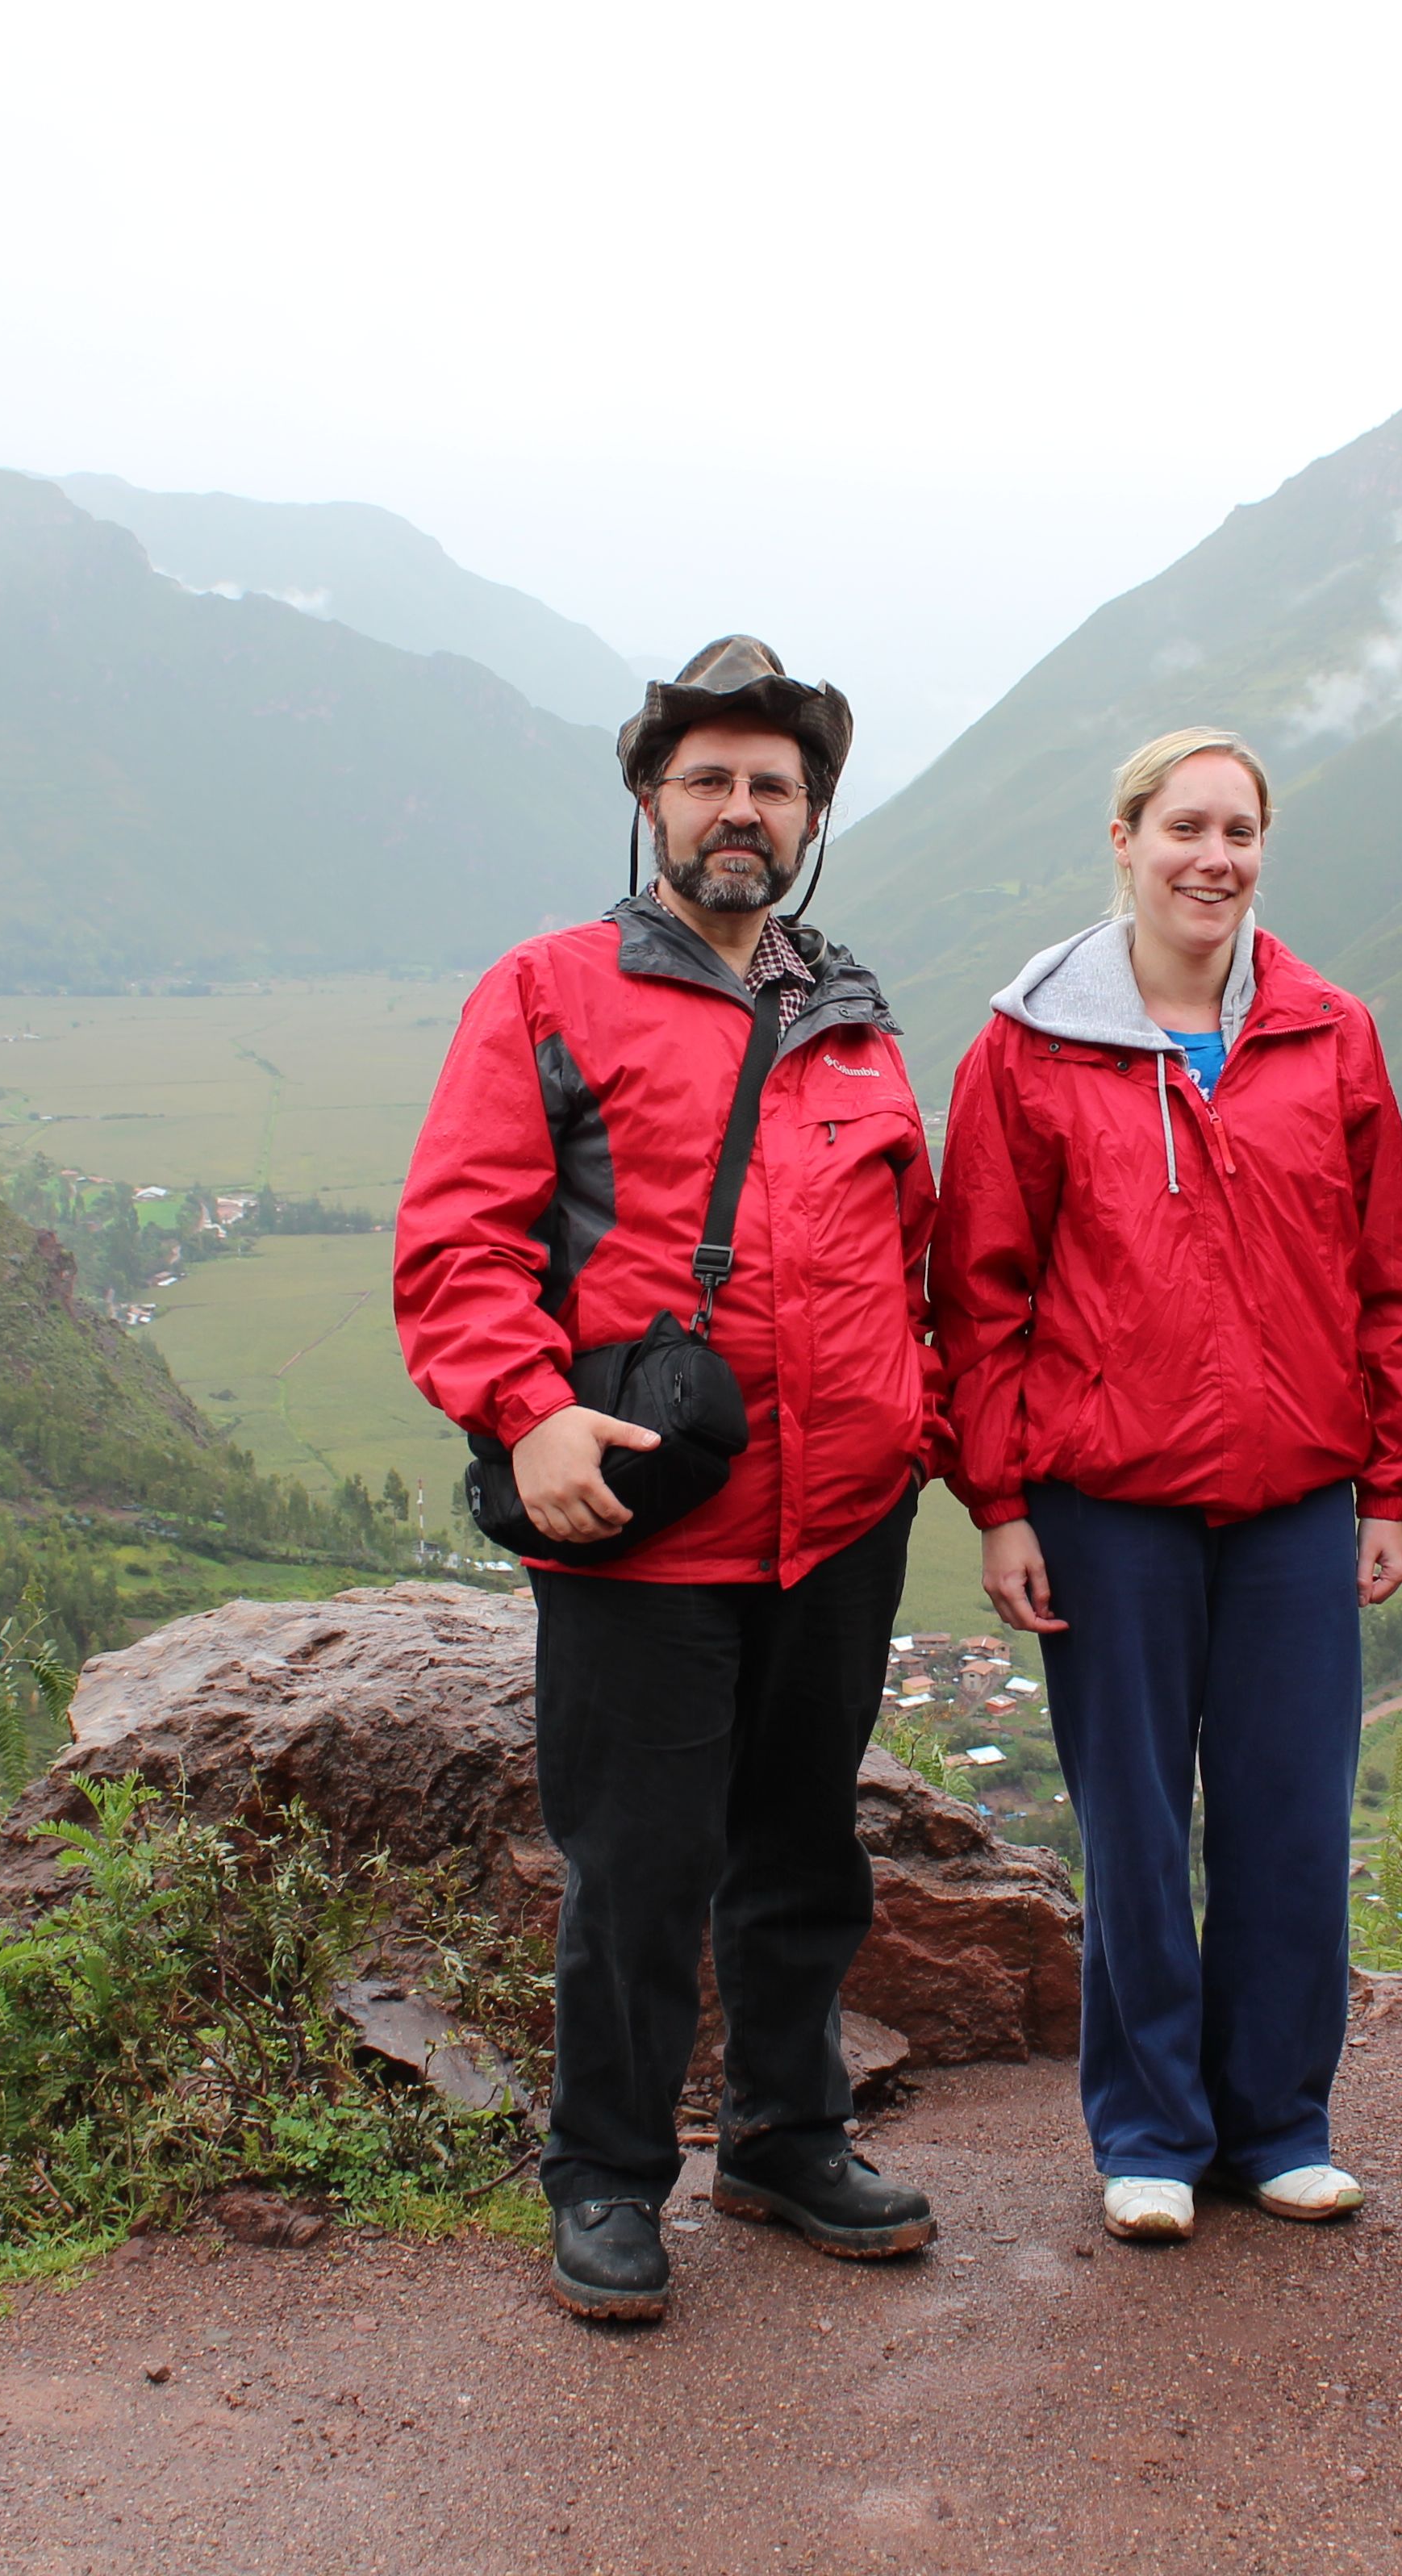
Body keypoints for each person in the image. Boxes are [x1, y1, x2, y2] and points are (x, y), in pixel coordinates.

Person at [393, 635, 947, 2323]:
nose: (740, 809)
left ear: (812, 817)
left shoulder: (852, 1020)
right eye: (708, 779)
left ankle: (787, 2138)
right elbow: (459, 1241)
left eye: (772, 785)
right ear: (651, 799)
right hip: (646, 1521)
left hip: (839, 1524)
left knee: (806, 1855)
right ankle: (610, 2177)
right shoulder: (547, 991)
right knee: (638, 1873)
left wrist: (917, 1430)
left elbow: (910, 1260)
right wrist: (526, 1411)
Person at [932, 729, 1402, 2245]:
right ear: (1125, 840)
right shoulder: (1028, 1047)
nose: (1214, 860)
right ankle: (1151, 2131)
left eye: (1240, 832)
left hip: (1295, 1498)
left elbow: (1391, 1274)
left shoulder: (1328, 1033)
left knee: (1292, 1820)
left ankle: (1279, 2123)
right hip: (1109, 1507)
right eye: (1185, 828)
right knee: (1139, 1830)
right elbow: (982, 1294)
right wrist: (1000, 1503)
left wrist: (1392, 1485)